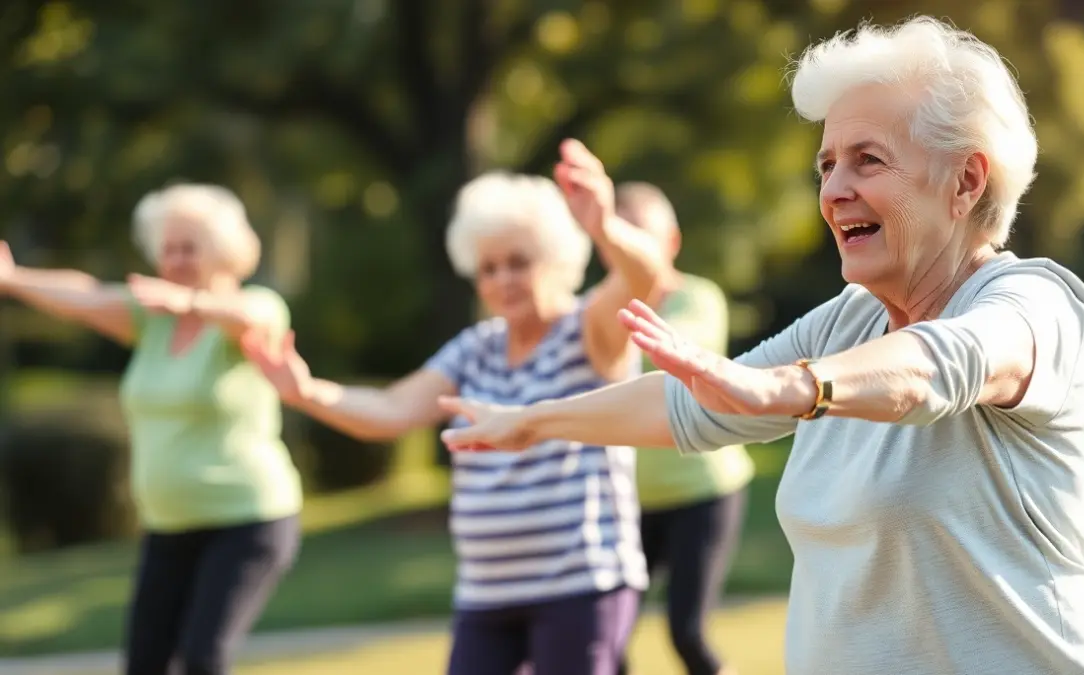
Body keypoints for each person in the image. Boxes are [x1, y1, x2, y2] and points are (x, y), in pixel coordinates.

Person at [434, 17, 1084, 675]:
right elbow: (691, 406)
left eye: (867, 160)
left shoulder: (1034, 302)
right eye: (827, 165)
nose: (834, 191)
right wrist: (534, 420)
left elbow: (942, 365)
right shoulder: (844, 323)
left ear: (966, 180)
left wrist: (793, 388)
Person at [241, 140, 668, 675]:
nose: (502, 280)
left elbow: (643, 279)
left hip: (581, 584)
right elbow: (391, 409)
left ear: (557, 261)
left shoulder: (588, 333)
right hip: (487, 592)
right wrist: (305, 391)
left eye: (518, 263)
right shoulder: (475, 349)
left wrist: (604, 225)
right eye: (488, 269)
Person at [0, 184, 301, 675]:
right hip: (168, 525)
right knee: (144, 664)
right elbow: (86, 296)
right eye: (168, 249)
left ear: (223, 254)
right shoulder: (151, 320)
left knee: (202, 660)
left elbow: (249, 316)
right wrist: (12, 279)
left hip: (247, 521)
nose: (177, 260)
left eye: (190, 248)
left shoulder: (255, 307)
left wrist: (190, 305)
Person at [612, 183, 752, 675]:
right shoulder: (597, 310)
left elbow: (675, 358)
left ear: (669, 242)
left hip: (703, 495)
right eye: (617, 238)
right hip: (631, 504)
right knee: (607, 642)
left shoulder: (697, 297)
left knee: (687, 633)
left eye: (639, 237)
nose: (627, 251)